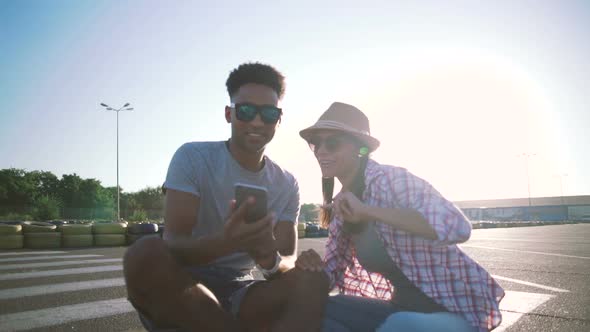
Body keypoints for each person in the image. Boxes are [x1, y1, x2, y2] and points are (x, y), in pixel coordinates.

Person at [123, 62, 329, 332]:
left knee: (315, 280)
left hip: (242, 291)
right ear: (229, 114)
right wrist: (226, 242)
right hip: (183, 284)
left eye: (268, 113)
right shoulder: (193, 158)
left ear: (279, 119)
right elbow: (174, 244)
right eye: (245, 111)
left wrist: (268, 256)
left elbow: (287, 258)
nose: (257, 122)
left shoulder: (287, 183)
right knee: (144, 253)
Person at [296, 102, 505, 332]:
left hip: (453, 312)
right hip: (401, 309)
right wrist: (308, 270)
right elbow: (332, 273)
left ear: (360, 148)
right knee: (313, 311)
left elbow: (458, 227)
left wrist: (368, 211)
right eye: (316, 144)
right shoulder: (341, 207)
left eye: (332, 142)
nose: (321, 151)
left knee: (397, 326)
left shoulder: (392, 180)